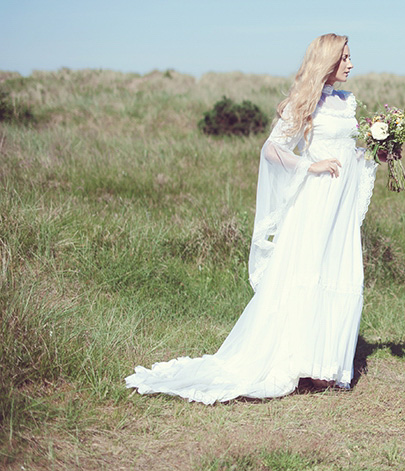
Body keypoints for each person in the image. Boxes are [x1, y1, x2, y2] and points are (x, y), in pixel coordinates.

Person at [126, 33, 378, 404]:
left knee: (337, 271)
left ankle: (324, 365)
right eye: (345, 58)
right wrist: (311, 165)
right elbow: (273, 149)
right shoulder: (303, 102)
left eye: (351, 57)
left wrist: (375, 153)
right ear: (326, 61)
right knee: (307, 272)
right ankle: (296, 361)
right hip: (314, 201)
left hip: (339, 205)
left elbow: (347, 152)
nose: (351, 64)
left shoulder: (346, 102)